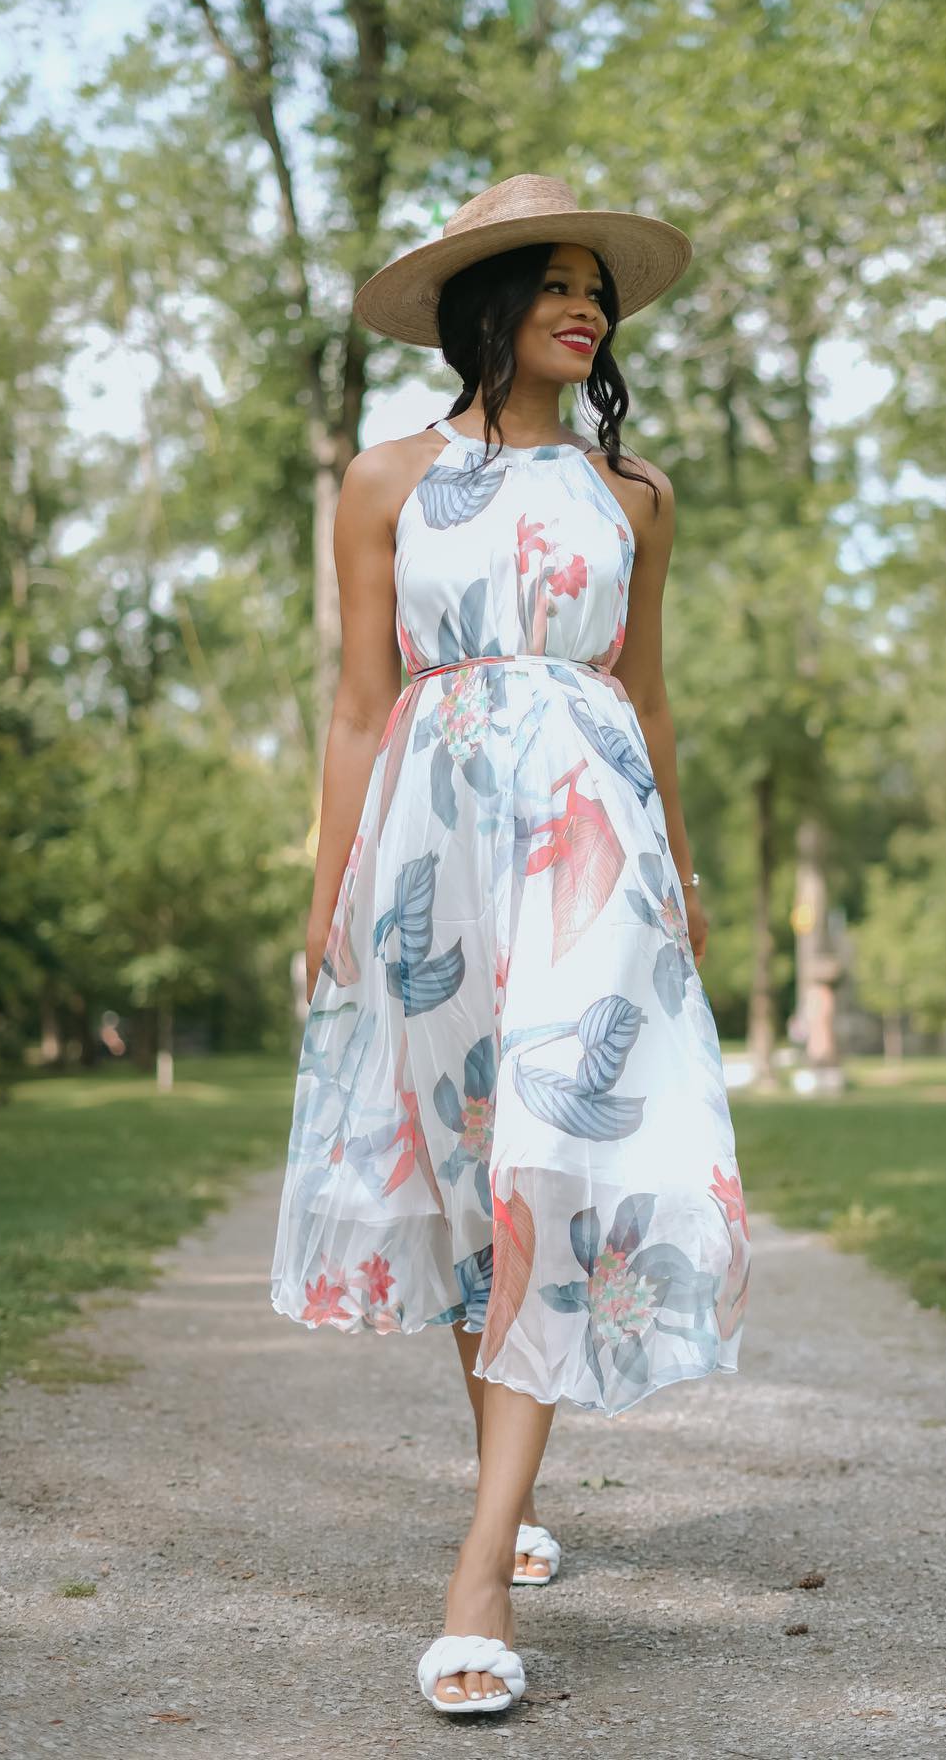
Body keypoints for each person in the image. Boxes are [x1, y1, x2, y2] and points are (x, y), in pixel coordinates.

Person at [268, 172, 751, 1719]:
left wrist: (680, 866)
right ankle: (510, 1487)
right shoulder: (385, 478)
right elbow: (358, 704)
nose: (584, 302)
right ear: (481, 306)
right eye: (550, 279)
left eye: (595, 283)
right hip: (430, 847)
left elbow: (651, 697)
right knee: (475, 1168)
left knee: (557, 1147)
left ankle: (479, 1568)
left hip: (589, 849)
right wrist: (326, 893)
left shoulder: (636, 497)